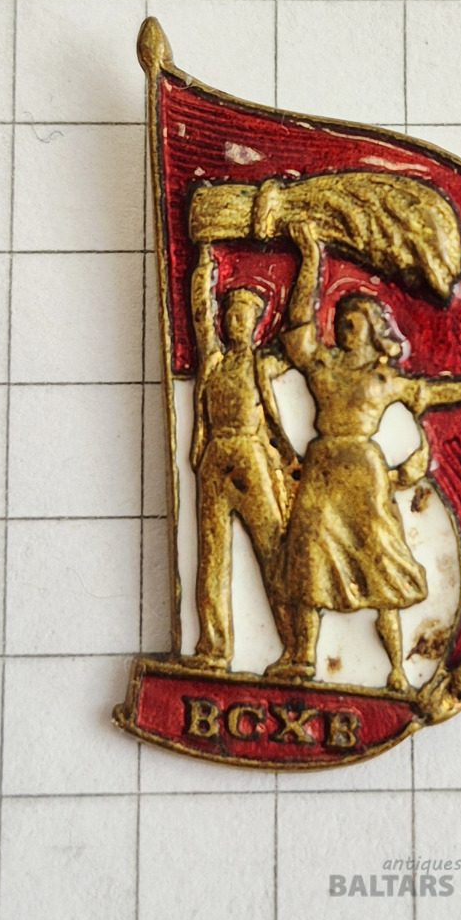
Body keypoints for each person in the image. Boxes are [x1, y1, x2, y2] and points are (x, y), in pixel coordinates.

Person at [266, 222, 461, 692]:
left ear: (373, 329)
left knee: (379, 564)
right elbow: (297, 327)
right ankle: (301, 657)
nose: (343, 324)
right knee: (307, 560)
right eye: (340, 318)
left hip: (364, 471)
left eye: (353, 319)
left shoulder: (384, 380)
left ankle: (398, 669)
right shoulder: (321, 365)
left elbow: (431, 393)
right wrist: (310, 260)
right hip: (322, 468)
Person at [185, 244, 296, 671]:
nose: (235, 322)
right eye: (230, 315)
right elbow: (201, 318)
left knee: (273, 550)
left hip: (251, 455)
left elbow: (296, 336)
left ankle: (295, 645)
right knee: (211, 557)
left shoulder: (263, 364)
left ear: (255, 324)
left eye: (243, 316)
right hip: (215, 457)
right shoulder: (213, 362)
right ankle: (213, 648)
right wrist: (203, 268)